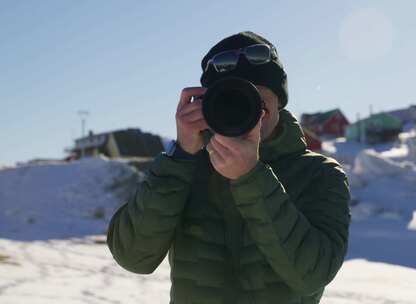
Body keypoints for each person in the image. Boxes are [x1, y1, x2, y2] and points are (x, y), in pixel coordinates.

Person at [107, 31, 351, 304]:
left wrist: (251, 177)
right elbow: (132, 256)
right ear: (208, 104)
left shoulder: (319, 173)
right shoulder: (186, 167)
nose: (244, 108)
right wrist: (180, 157)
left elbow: (313, 274)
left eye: (254, 98)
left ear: (278, 102)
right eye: (230, 97)